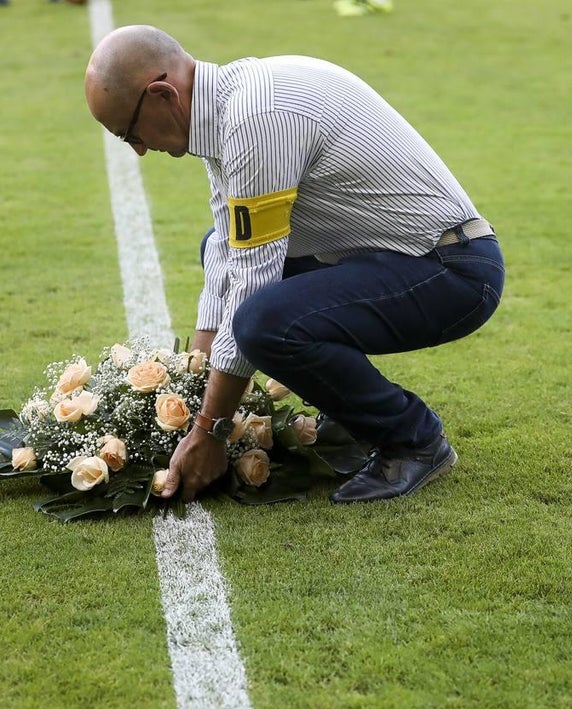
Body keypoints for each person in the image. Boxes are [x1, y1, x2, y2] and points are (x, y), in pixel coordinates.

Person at [84, 26, 504, 504]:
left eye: (130, 132)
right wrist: (194, 378)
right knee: (219, 257)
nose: (139, 149)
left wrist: (209, 429)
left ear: (163, 94)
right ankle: (352, 417)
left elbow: (252, 284)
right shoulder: (225, 106)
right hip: (402, 259)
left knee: (263, 322)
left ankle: (414, 440)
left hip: (452, 272)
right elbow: (226, 248)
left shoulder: (256, 121)